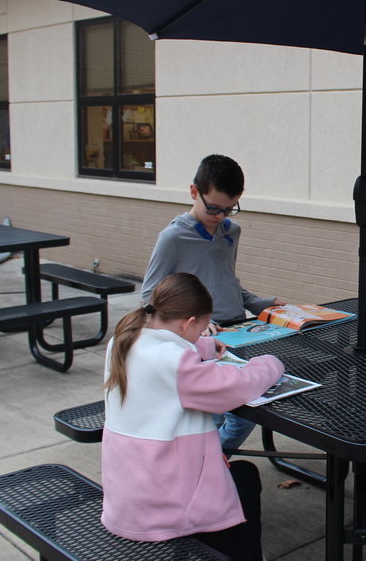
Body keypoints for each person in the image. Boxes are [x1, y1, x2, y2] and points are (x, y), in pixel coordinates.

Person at [101, 272, 284, 561]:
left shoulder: (123, 340)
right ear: (188, 323)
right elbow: (237, 387)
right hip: (166, 506)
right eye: (200, 330)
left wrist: (203, 345)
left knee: (234, 473)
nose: (201, 335)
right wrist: (270, 364)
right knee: (245, 476)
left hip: (129, 494)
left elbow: (167, 350)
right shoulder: (175, 364)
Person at [142, 154, 286, 453]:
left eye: (228, 209)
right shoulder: (172, 237)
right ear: (194, 192)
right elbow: (150, 295)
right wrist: (194, 323)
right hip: (202, 339)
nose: (220, 216)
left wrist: (264, 304)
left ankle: (211, 463)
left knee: (246, 413)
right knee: (216, 414)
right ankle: (205, 466)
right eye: (214, 208)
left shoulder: (230, 231)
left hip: (241, 331)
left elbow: (227, 282)